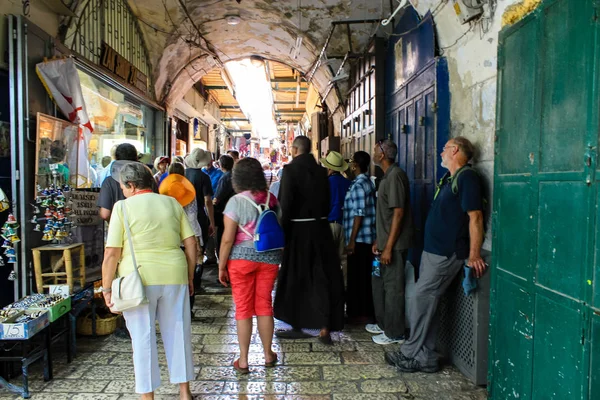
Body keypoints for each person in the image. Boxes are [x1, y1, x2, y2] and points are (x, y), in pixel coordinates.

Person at [385, 136, 486, 373]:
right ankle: (426, 358)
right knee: (426, 301)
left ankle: (410, 352)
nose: (440, 153)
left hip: (447, 252)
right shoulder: (450, 178)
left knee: (421, 298)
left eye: (444, 148)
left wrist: (473, 254)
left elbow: (476, 217)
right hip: (433, 251)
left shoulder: (467, 178)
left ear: (455, 150)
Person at [100, 162, 196, 399]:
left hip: (138, 279)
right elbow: (191, 243)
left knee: (142, 338)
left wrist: (106, 288)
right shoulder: (172, 203)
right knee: (179, 332)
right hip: (175, 274)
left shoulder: (121, 208)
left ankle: (148, 396)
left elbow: (111, 253)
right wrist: (190, 276)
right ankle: (184, 393)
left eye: (123, 186)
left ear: (132, 185)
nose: (122, 191)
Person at [274, 136, 345, 344]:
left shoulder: (290, 171)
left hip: (298, 231)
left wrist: (283, 235)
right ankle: (324, 327)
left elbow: (285, 206)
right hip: (321, 229)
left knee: (297, 277)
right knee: (322, 277)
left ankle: (297, 323)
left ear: (295, 149)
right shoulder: (322, 171)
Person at [217, 157, 281, 374]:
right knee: (264, 305)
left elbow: (227, 239)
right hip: (269, 257)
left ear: (238, 178)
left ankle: (243, 360)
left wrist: (221, 266)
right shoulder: (270, 198)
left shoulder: (235, 202)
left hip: (241, 259)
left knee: (243, 308)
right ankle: (267, 354)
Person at [368, 139, 414, 345]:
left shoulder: (395, 176)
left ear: (383, 154)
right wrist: (380, 239)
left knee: (394, 289)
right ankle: (386, 324)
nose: (373, 152)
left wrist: (388, 247)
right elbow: (386, 216)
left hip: (394, 246)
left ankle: (395, 333)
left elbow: (398, 213)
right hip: (386, 243)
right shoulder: (387, 176)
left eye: (376, 149)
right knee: (384, 285)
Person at [343, 151, 377, 324]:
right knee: (362, 276)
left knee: (358, 277)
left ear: (356, 164)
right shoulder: (367, 182)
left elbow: (358, 213)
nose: (349, 165)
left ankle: (359, 314)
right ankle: (362, 312)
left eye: (351, 162)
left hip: (360, 239)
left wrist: (351, 241)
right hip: (366, 237)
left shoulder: (358, 185)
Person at [320, 151, 351, 287]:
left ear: (330, 168)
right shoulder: (348, 183)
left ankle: (331, 289)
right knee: (345, 260)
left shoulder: (326, 184)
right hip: (346, 226)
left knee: (329, 260)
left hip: (330, 225)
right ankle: (345, 289)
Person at [185, 148, 216, 269]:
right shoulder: (204, 177)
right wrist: (212, 222)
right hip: (199, 216)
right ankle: (196, 278)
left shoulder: (182, 174)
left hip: (182, 215)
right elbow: (207, 201)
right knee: (199, 248)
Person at [97, 143, 139, 222]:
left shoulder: (109, 181)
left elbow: (105, 214)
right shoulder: (148, 179)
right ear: (136, 158)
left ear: (115, 158)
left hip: (118, 230)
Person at [213, 154, 235, 252]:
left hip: (223, 210)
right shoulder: (234, 175)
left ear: (221, 165)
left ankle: (221, 254)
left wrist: (214, 202)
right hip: (233, 209)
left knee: (221, 233)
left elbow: (218, 196)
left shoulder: (225, 177)